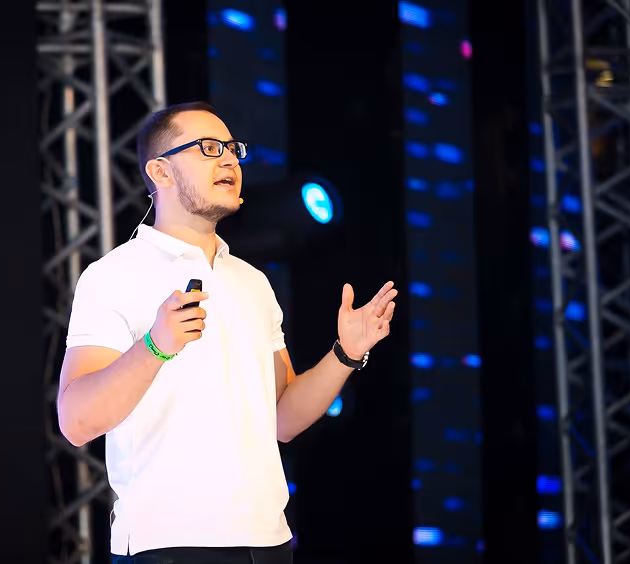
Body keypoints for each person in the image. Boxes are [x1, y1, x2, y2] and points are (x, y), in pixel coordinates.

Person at [57, 102, 398, 564]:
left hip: (269, 540)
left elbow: (283, 420)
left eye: (233, 150)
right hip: (169, 544)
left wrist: (344, 354)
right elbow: (76, 421)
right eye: (209, 148)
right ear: (160, 171)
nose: (229, 160)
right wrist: (156, 346)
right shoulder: (113, 275)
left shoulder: (251, 281)